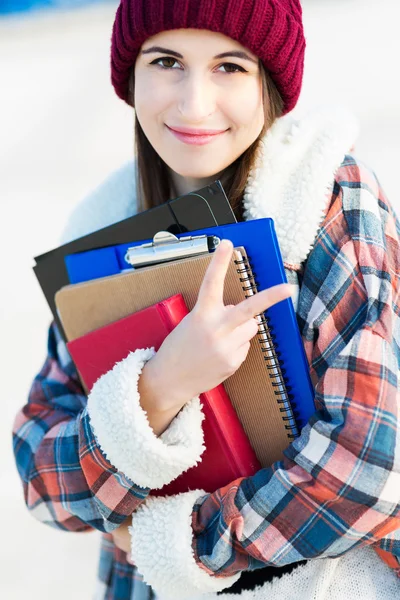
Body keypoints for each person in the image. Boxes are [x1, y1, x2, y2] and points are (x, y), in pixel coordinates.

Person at [12, 0, 400, 598]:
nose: (194, 103)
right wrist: (160, 387)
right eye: (167, 61)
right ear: (130, 75)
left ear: (270, 83)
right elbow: (40, 474)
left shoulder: (327, 201)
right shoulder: (103, 229)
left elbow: (368, 466)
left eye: (230, 67)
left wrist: (180, 540)